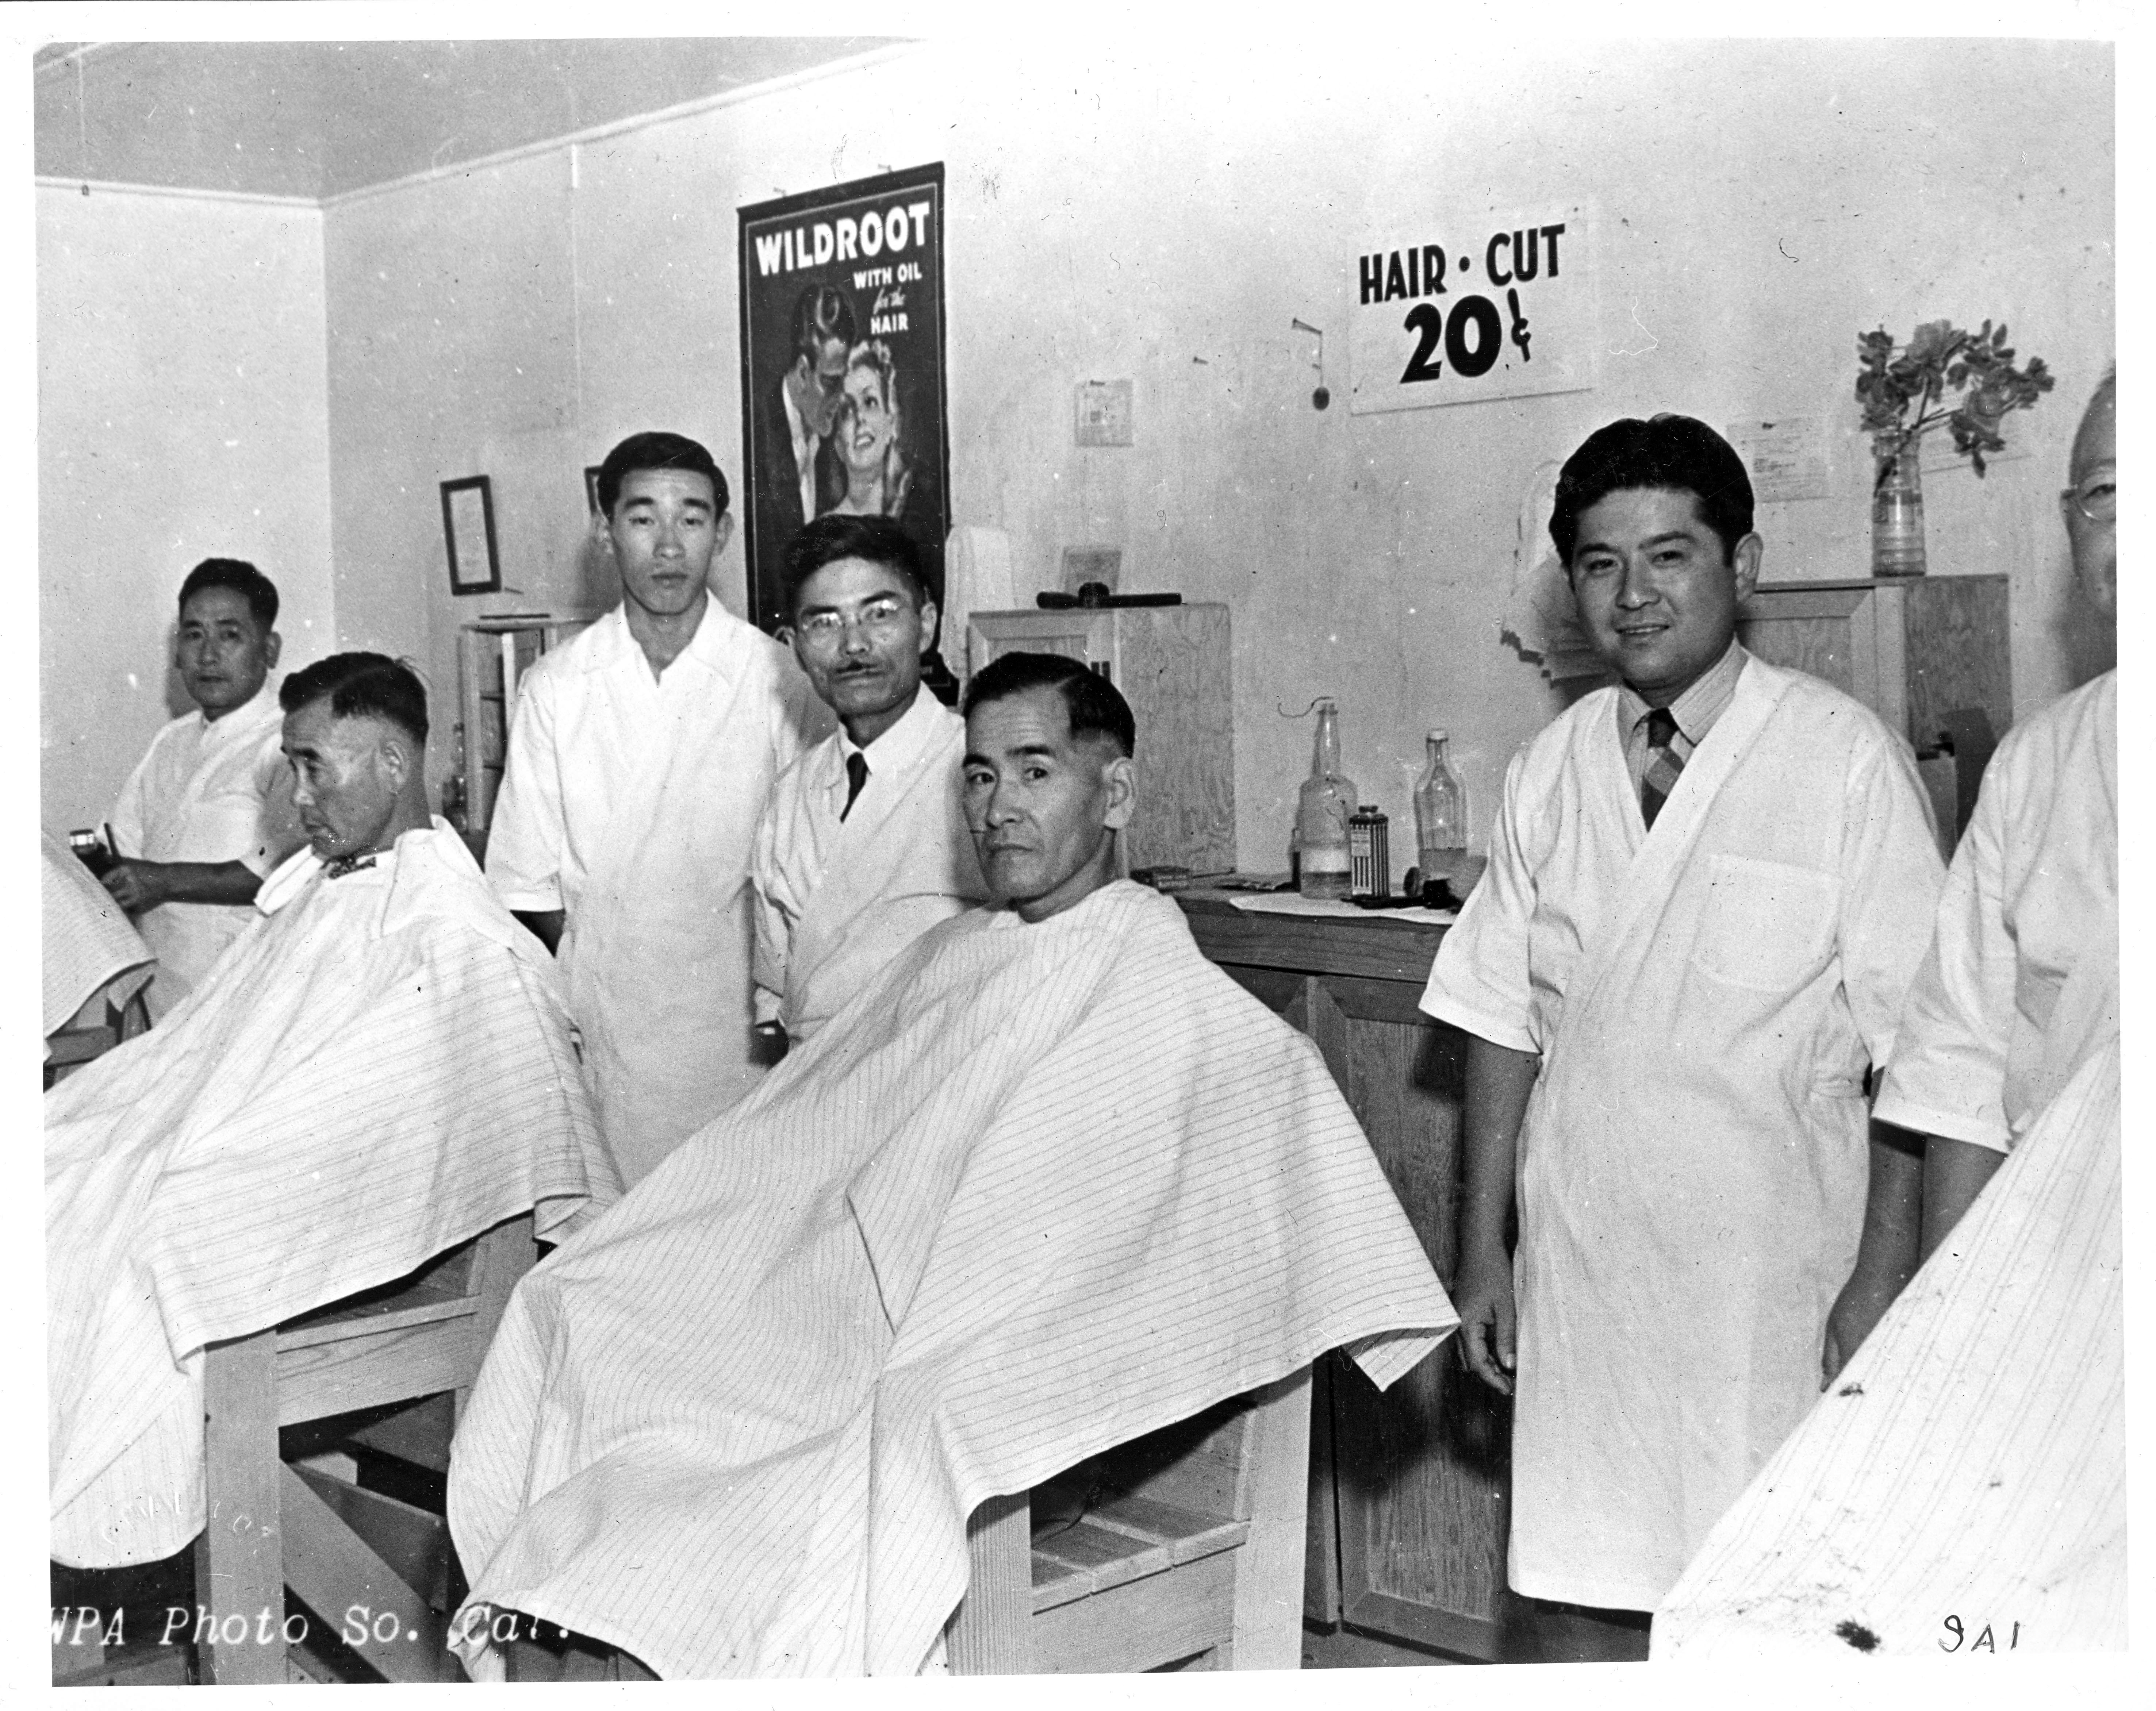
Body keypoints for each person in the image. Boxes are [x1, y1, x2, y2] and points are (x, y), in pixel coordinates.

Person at [445, 653, 1458, 1680]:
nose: (997, 806)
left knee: (703, 1534)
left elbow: (1069, 1281)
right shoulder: (953, 952)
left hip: (1005, 1425)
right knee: (589, 1336)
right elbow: (791, 1155)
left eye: (1034, 772)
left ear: (1115, 791)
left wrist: (917, 1376)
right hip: (842, 1351)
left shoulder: (1167, 994)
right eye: (979, 775)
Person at [1419, 414, 1945, 1660]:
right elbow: (1500, 1022)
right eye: (1600, 565)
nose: (1634, 595)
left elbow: (1924, 1058)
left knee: (1769, 1611)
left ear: (1741, 565)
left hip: (1770, 1280)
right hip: (1588, 1269)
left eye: (1669, 555)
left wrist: (1879, 1280)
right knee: (1575, 1597)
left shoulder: (1839, 758)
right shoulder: (1550, 769)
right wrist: (1482, 1253)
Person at [1655, 373, 2122, 1653]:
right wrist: (1937, 1338)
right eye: (2105, 499)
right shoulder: (2041, 769)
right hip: (2062, 1324)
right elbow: (1956, 1077)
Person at [49, 653, 617, 1570]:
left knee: (131, 1230)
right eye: (294, 767)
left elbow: (363, 1128)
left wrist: (188, 1168)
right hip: (250, 1177)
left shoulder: (459, 939)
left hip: (353, 1247)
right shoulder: (330, 887)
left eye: (315, 765)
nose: (299, 797)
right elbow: (203, 1059)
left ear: (393, 763)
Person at [485, 431, 828, 1184]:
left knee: (736, 1218)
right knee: (614, 1228)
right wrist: (606, 972)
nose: (668, 545)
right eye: (643, 518)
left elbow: (811, 873)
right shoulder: (557, 686)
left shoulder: (779, 678)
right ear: (605, 531)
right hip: (611, 1028)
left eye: (691, 518)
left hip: (740, 1032)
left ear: (723, 532)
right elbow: (525, 886)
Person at [750, 513, 985, 1052]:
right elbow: (774, 988)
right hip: (812, 1080)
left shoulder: (977, 768)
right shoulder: (790, 793)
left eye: (879, 614)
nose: (854, 645)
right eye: (824, 622)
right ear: (796, 647)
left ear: (925, 624)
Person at [102, 558, 305, 1018]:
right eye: (194, 635)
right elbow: (120, 844)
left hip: (247, 1003)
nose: (208, 655)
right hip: (160, 1000)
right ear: (177, 651)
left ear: (270, 649)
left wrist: (163, 880)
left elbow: (283, 867)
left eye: (229, 635)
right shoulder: (170, 742)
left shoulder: (289, 740)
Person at [752, 284, 853, 571]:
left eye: (843, 381)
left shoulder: (832, 441)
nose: (841, 398)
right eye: (831, 383)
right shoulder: (758, 437)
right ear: (803, 372)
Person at [825, 340, 924, 524]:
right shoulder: (825, 531)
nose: (860, 417)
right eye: (847, 410)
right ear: (839, 444)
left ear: (892, 425)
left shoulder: (914, 520)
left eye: (870, 402)